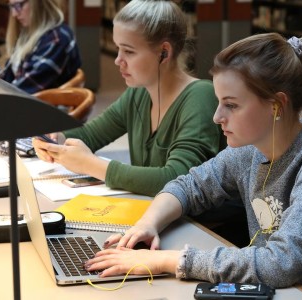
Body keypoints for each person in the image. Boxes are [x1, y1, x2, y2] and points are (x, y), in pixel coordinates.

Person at [83, 33, 302, 299]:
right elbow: (187, 186)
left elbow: (282, 263)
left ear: (276, 105)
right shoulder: (251, 150)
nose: (217, 117)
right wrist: (148, 223)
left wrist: (168, 260)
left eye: (231, 105)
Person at [33, 0, 225, 197]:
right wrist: (54, 140)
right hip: (154, 214)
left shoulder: (201, 97)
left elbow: (177, 179)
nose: (118, 60)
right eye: (118, 49)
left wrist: (91, 165)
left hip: (200, 225)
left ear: (163, 53)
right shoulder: (139, 93)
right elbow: (90, 135)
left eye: (129, 51)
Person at [0, 0, 81, 94]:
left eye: (18, 5)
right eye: (12, 7)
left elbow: (19, 92)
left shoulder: (57, 40)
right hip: (27, 108)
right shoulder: (31, 33)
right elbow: (14, 81)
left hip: (42, 115)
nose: (14, 14)